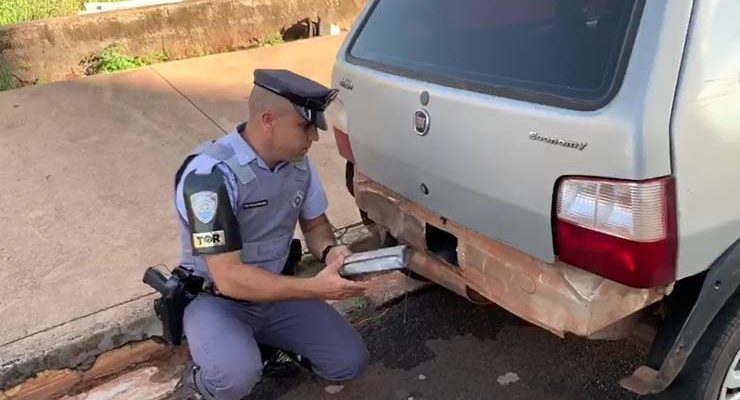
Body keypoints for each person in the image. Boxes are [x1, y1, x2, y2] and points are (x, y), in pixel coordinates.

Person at [172, 69, 370, 400]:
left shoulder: (298, 166)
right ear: (268, 121)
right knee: (234, 377)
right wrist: (314, 288)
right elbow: (230, 279)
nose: (314, 137)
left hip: (276, 295)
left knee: (348, 362)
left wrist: (331, 251)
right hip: (218, 301)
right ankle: (198, 383)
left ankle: (264, 346)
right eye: (305, 126)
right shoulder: (210, 177)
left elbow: (316, 226)